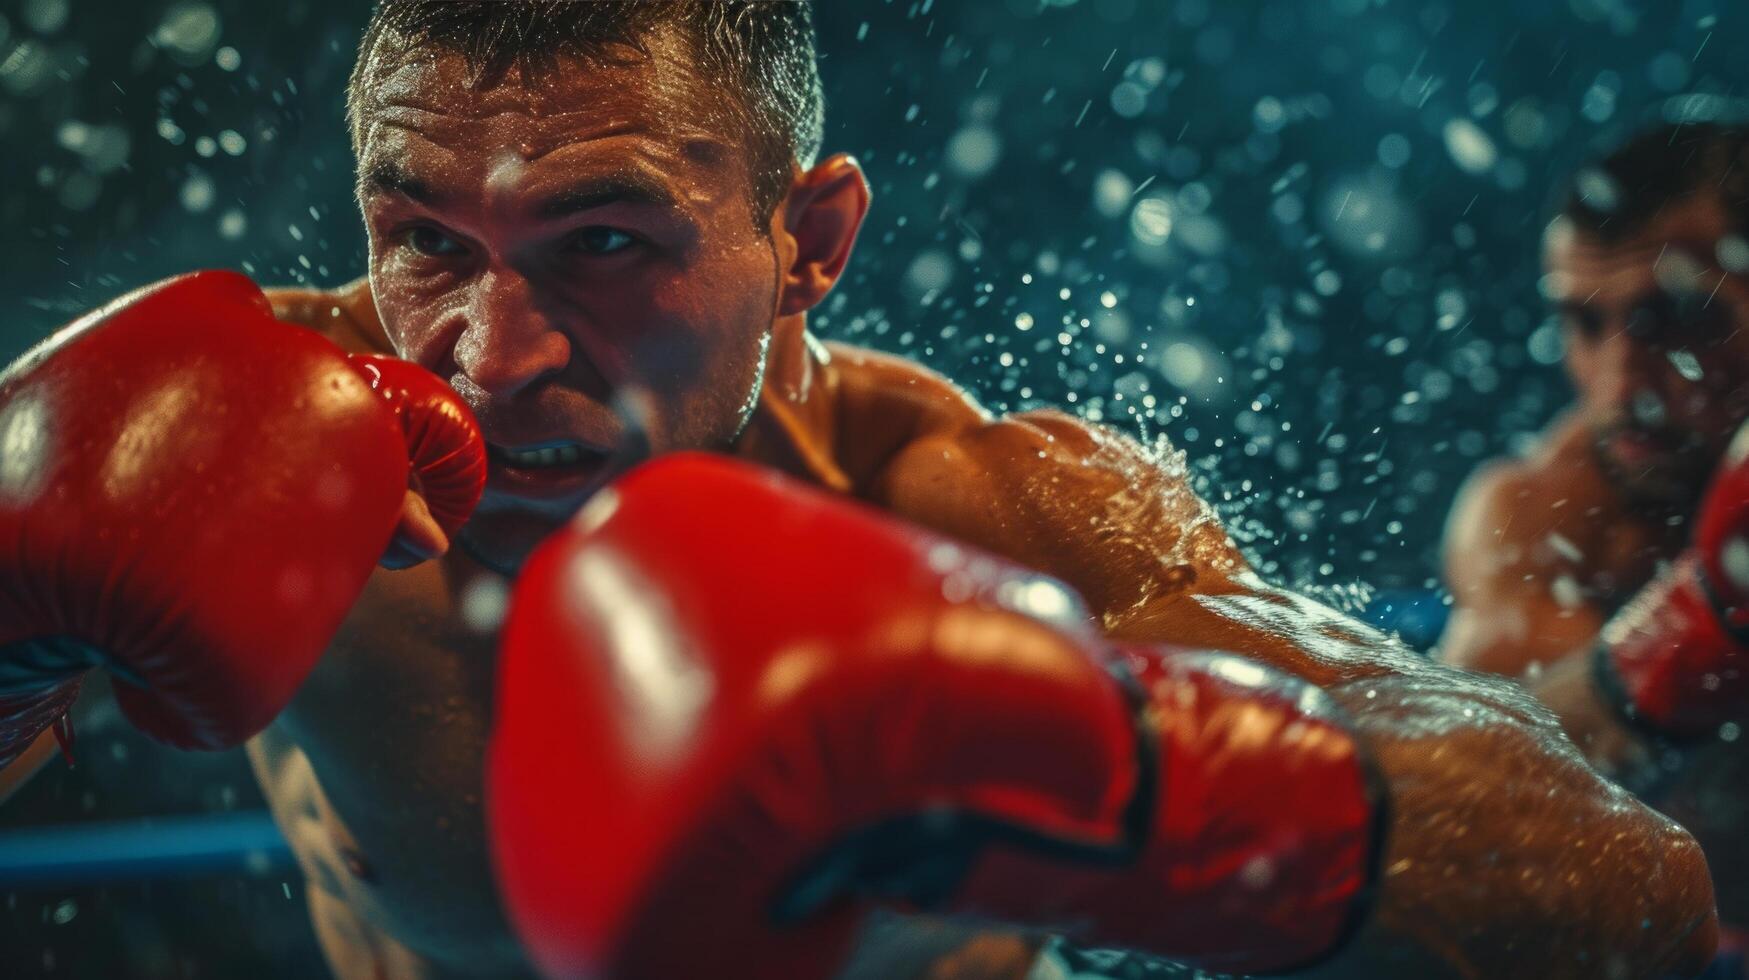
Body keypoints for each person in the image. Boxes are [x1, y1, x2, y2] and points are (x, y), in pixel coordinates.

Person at [1, 4, 1719, 978]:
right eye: (423, 242)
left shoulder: (977, 508)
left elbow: (1621, 898)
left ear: (805, 243)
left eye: (600, 243)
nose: (488, 353)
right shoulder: (226, 427)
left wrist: (1117, 784)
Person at [1441, 122, 1749, 970]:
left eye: (1674, 319)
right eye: (1585, 324)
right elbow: (1481, 793)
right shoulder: (1544, 515)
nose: (1621, 384)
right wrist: (1704, 623)